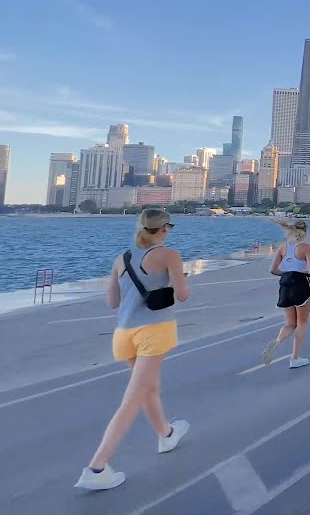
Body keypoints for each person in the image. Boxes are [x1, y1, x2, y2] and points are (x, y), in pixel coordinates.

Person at [76, 209, 190, 491]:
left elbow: (113, 302)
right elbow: (183, 295)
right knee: (132, 400)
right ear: (163, 228)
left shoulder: (121, 258)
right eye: (169, 226)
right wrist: (174, 279)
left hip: (124, 334)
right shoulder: (169, 255)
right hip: (154, 331)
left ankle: (166, 433)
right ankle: (96, 467)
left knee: (147, 389)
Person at [261, 219, 310, 369]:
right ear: (305, 232)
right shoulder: (307, 247)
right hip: (301, 284)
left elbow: (273, 269)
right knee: (302, 322)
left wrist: (287, 274)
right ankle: (294, 358)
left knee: (290, 323)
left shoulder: (283, 248)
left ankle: (277, 341)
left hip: (285, 285)